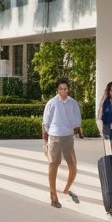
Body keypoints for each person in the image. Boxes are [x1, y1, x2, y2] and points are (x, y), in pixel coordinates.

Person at [42, 78, 84, 208]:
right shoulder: (51, 103)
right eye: (61, 89)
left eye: (65, 89)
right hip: (54, 136)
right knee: (53, 164)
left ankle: (66, 189)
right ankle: (53, 194)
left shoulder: (73, 103)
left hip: (68, 137)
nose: (63, 91)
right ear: (57, 89)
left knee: (73, 165)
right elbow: (46, 122)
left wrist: (74, 128)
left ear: (68, 89)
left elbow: (77, 122)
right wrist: (47, 139)